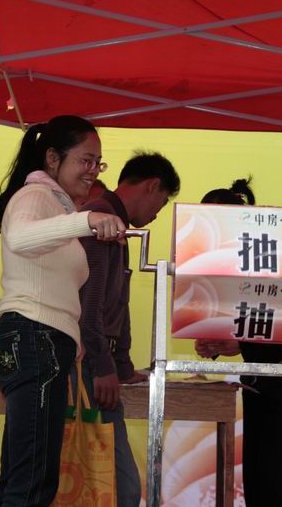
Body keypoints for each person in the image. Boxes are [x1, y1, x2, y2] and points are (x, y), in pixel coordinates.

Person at [0, 115, 126, 506]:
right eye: (86, 160)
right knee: (31, 482)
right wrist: (86, 220)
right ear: (52, 158)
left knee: (25, 477)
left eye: (98, 162)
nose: (93, 170)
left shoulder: (58, 207)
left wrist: (72, 335)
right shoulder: (36, 195)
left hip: (41, 340)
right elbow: (20, 237)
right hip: (34, 338)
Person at [194, 178, 282, 507]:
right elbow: (263, 320)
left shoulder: (272, 248)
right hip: (258, 373)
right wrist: (231, 344)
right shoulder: (226, 260)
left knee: (278, 472)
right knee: (257, 471)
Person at [77, 151, 180, 507]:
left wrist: (121, 365)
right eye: (161, 203)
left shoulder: (115, 222)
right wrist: (104, 365)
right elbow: (89, 304)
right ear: (152, 186)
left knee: (117, 487)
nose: (156, 214)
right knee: (121, 489)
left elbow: (117, 302)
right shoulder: (102, 219)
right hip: (86, 363)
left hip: (98, 362)